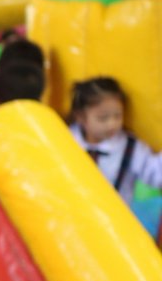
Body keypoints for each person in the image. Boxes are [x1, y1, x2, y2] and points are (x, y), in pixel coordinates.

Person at [69, 76, 162, 204]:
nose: (112, 124)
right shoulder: (66, 139)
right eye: (103, 118)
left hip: (112, 215)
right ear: (80, 117)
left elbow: (155, 174)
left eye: (118, 116)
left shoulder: (131, 147)